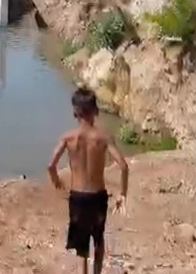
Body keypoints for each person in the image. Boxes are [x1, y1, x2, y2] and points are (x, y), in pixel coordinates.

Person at [47, 88, 129, 274]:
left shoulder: (68, 138)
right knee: (98, 240)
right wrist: (122, 194)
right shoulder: (104, 137)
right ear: (96, 111)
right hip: (98, 197)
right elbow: (124, 166)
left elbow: (51, 165)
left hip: (77, 198)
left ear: (74, 112)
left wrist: (57, 181)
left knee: (81, 245)